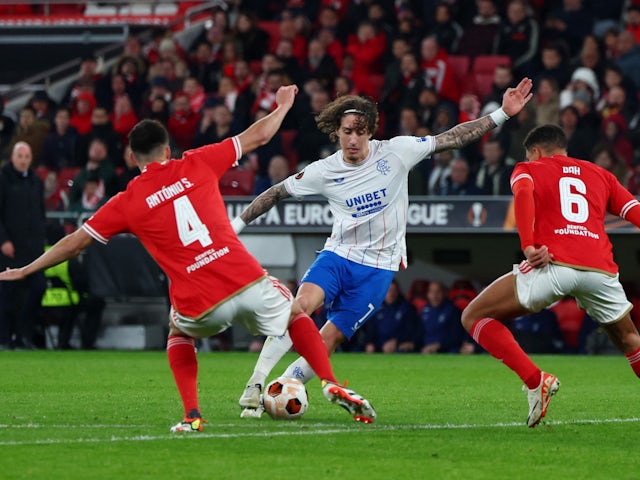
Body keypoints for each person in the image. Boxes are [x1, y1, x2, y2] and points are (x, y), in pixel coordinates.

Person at [0, 85, 375, 430]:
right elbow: (259, 135)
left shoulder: (126, 201)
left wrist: (27, 269)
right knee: (295, 314)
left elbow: (75, 243)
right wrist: (282, 107)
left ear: (133, 157)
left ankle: (192, 414)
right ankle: (328, 382)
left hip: (199, 302)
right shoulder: (197, 162)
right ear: (167, 150)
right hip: (244, 278)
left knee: (177, 330)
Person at [232, 78, 534, 418]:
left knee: (327, 339)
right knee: (300, 306)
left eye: (360, 132)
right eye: (347, 131)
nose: (353, 139)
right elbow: (275, 192)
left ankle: (279, 388)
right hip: (338, 256)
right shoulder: (324, 170)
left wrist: (501, 115)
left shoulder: (396, 152)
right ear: (337, 133)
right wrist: (236, 227)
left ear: (370, 132)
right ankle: (256, 384)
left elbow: (453, 137)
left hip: (379, 268)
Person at [460, 124, 640, 428]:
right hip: (600, 271)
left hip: (554, 265)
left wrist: (528, 245)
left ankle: (536, 380)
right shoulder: (601, 174)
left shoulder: (527, 168)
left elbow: (524, 193)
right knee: (630, 339)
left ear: (535, 151)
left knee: (473, 316)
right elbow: (633, 210)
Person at [0, 142, 47, 349]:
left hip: (33, 250)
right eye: (20, 155)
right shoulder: (3, 178)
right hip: (10, 249)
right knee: (6, 296)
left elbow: (40, 213)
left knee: (37, 289)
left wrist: (41, 239)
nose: (23, 160)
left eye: (27, 156)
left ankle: (24, 336)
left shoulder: (36, 181)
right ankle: (4, 338)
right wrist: (3, 240)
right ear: (12, 157)